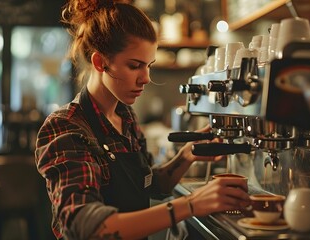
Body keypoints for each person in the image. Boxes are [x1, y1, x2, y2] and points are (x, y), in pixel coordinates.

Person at [35, 0, 250, 239]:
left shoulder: (125, 117)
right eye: (135, 66)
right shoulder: (67, 126)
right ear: (100, 62)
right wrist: (191, 204)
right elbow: (88, 227)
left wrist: (188, 154)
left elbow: (149, 183)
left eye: (148, 66)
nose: (146, 78)